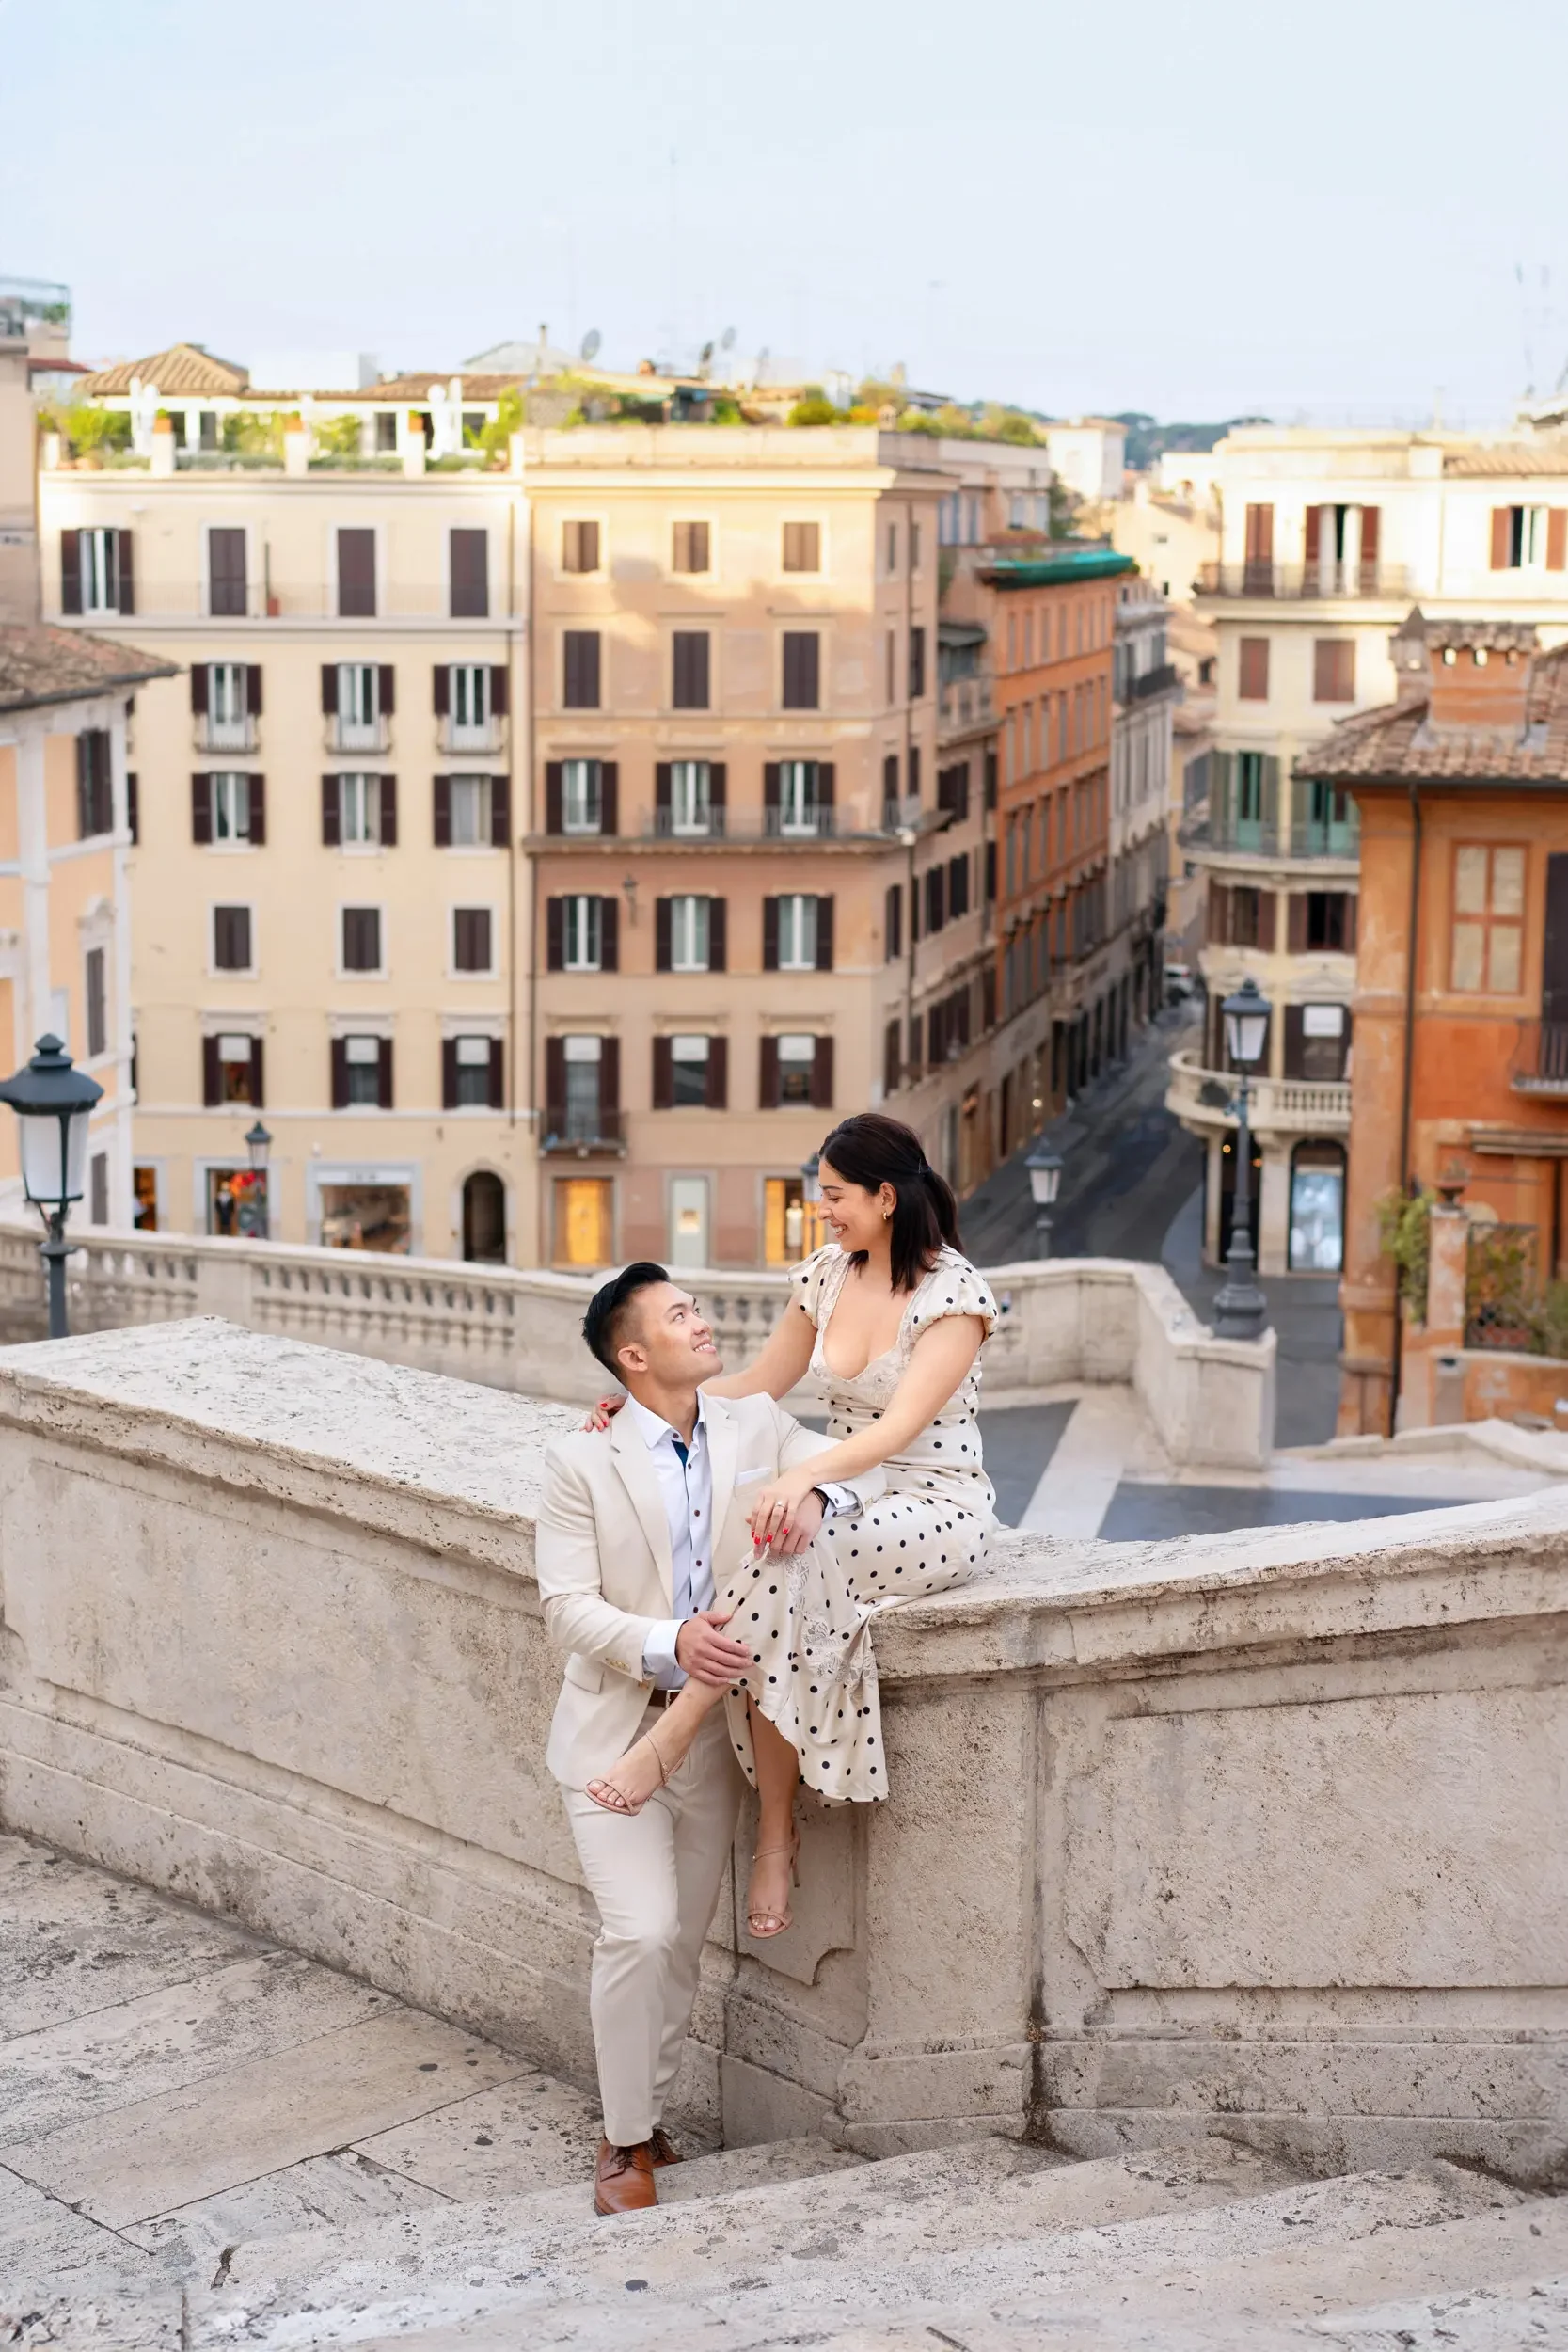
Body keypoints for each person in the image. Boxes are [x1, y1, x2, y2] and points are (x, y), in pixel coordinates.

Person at [582, 1112, 998, 1950]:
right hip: (849, 1490)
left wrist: (803, 1476)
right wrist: (651, 1403)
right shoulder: (825, 1275)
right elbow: (762, 1383)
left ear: (885, 1198)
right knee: (777, 1557)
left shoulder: (955, 1296)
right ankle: (777, 1831)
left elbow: (896, 1429)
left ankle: (678, 1734)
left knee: (790, 1547)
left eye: (836, 1195)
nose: (822, 1210)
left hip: (935, 1504)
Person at [535, 1263, 885, 2217]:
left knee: (681, 1946)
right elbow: (564, 1607)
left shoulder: (752, 1427)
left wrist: (815, 1495)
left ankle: (644, 2119)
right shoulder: (581, 1460)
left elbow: (860, 1469)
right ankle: (620, 2142)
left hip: (719, 1746)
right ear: (634, 1356)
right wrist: (667, 1640)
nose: (703, 1320)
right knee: (638, 1929)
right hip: (613, 1737)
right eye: (680, 1314)